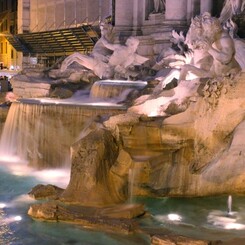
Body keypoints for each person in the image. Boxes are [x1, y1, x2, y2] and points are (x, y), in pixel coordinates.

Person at [154, 12, 241, 92]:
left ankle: (180, 92)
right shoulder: (214, 39)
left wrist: (209, 49)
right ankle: (178, 90)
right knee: (184, 68)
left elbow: (226, 58)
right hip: (213, 73)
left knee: (186, 68)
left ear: (210, 29)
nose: (204, 35)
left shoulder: (225, 39)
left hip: (224, 75)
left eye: (205, 32)